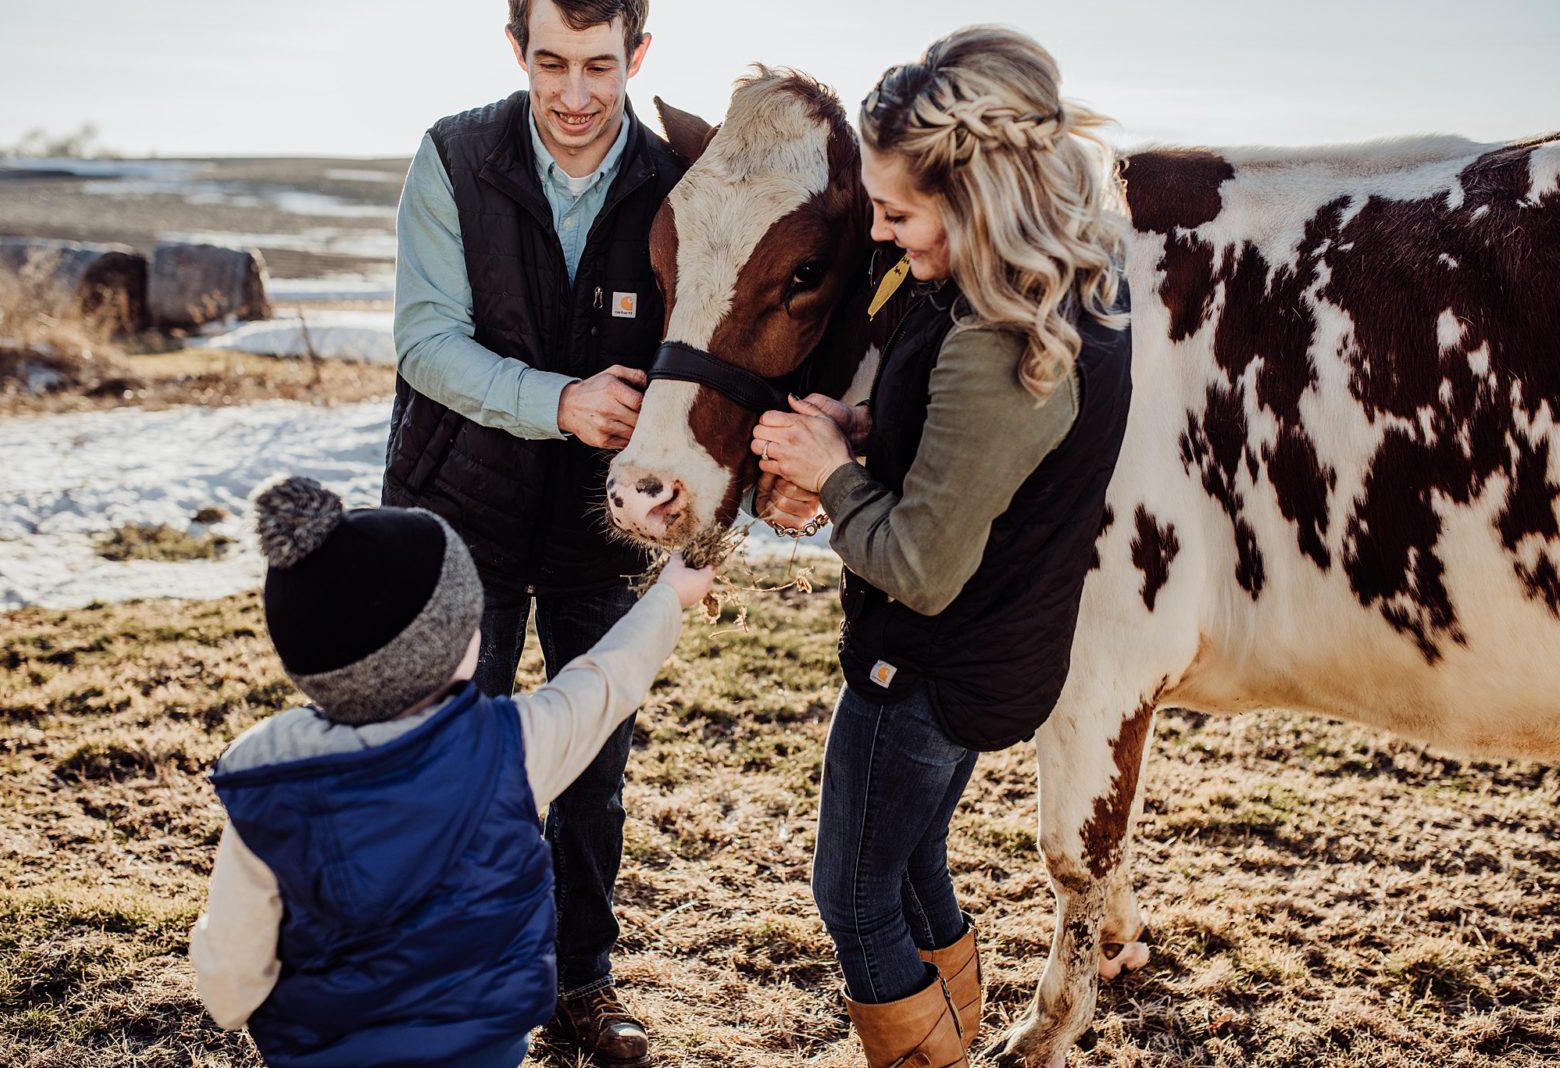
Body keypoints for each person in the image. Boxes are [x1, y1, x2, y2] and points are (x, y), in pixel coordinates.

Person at [750, 26, 1133, 1068]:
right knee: (911, 857)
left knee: (852, 891)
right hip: (988, 655)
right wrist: (867, 435)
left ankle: (922, 1055)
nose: (884, 235)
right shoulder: (1058, 288)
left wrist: (830, 472)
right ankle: (950, 1036)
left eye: (899, 213)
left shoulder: (997, 337)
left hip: (924, 663)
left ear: (975, 200)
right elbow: (988, 470)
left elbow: (921, 565)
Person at [381, 0, 686, 1060]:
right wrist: (557, 400)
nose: (572, 94)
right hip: (455, 516)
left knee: (593, 763)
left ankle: (580, 987)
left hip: (604, 532)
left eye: (599, 66)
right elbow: (424, 343)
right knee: (453, 764)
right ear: (517, 50)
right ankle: (446, 983)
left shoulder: (673, 185)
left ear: (635, 55)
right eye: (549, 61)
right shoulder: (453, 156)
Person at [189, 475, 713, 1068]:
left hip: (321, 1048)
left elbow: (232, 951)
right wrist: (670, 595)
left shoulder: (271, 777)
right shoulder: (506, 749)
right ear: (446, 645)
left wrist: (237, 1002)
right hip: (480, 1044)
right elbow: (606, 681)